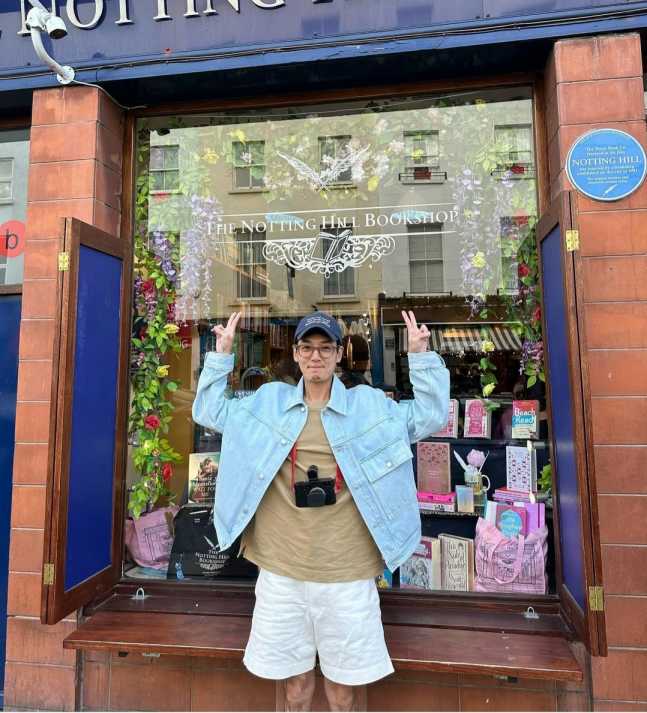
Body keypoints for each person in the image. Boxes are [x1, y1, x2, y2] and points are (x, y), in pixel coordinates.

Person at [192, 310, 449, 711]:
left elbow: (430, 416)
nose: (316, 356)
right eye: (307, 348)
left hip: (348, 574)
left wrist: (420, 357)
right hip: (281, 571)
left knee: (343, 693)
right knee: (295, 689)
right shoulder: (269, 402)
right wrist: (221, 354)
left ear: (338, 355)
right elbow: (209, 412)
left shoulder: (369, 406)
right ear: (295, 354)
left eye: (325, 348)